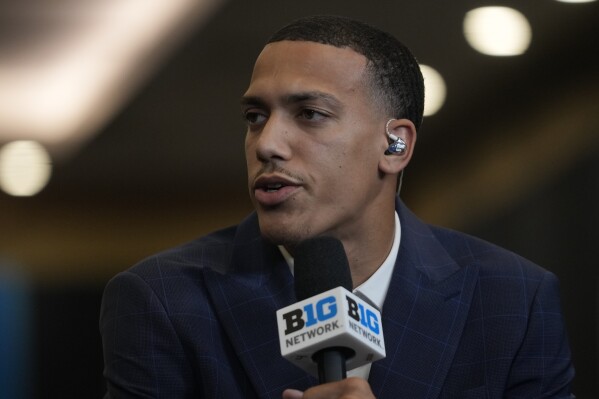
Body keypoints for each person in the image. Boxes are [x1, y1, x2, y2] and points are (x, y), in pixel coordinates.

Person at [100, 15, 574, 398]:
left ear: (394, 145)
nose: (267, 144)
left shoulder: (514, 301)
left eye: (310, 114)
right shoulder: (163, 300)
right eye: (255, 117)